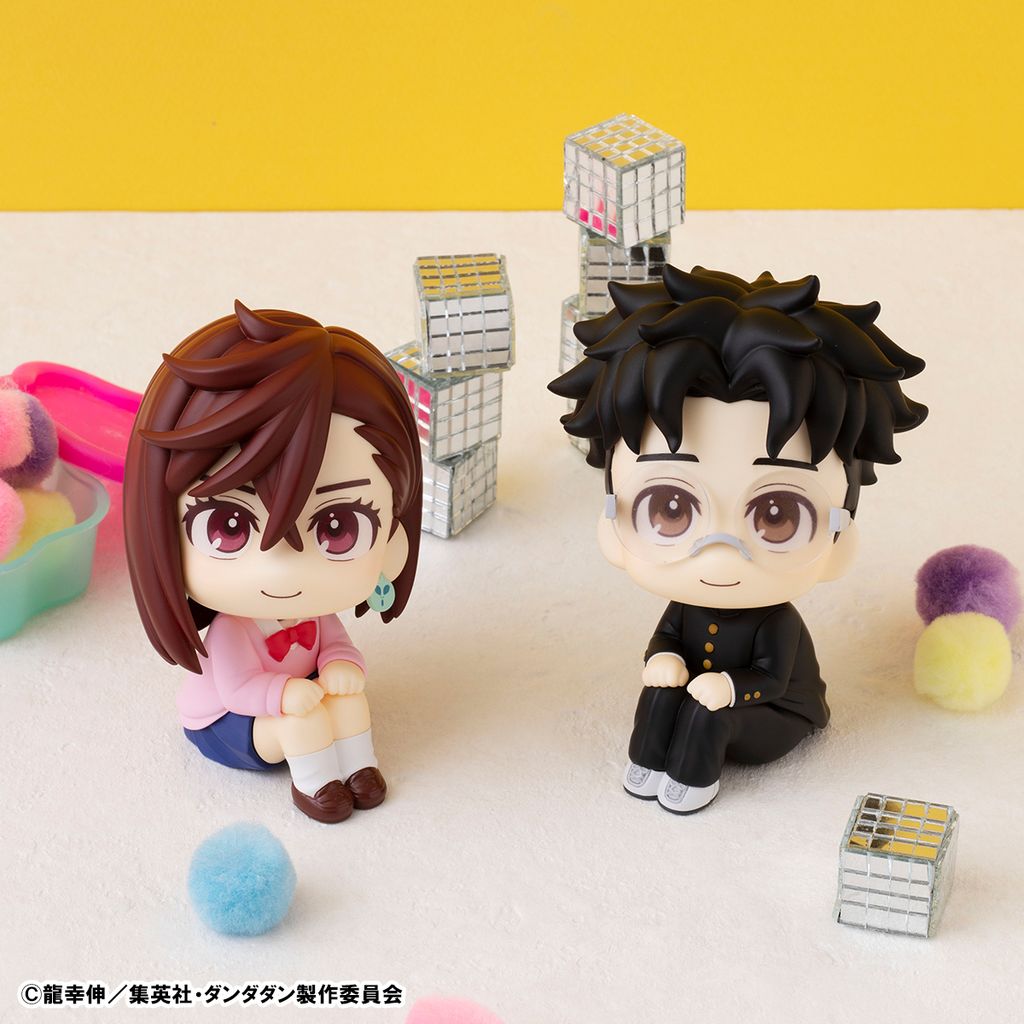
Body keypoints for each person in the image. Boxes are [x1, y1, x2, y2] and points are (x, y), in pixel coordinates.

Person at [549, 265, 927, 814]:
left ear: (840, 536)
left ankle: (693, 781)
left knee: (709, 714)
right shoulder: (685, 607)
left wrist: (729, 689)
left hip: (773, 716)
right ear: (613, 517)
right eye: (670, 509)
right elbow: (666, 641)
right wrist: (663, 661)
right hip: (702, 695)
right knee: (661, 692)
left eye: (778, 516)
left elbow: (773, 680)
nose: (721, 553)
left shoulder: (776, 622)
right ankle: (646, 762)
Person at [125, 301, 422, 823]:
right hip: (228, 721)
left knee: (349, 702)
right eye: (228, 526)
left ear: (392, 537)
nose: (281, 567)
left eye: (338, 527)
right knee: (303, 725)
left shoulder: (315, 614)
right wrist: (286, 692)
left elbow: (337, 646)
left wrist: (342, 667)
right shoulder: (232, 631)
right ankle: (316, 787)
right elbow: (239, 688)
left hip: (294, 694)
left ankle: (359, 770)